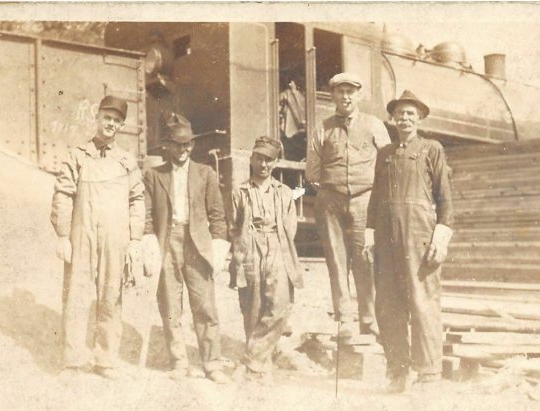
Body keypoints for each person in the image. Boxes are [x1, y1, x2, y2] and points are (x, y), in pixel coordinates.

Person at [364, 90, 454, 393]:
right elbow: (376, 198)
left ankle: (428, 374)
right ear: (392, 118)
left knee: (422, 301)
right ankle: (397, 372)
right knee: (388, 304)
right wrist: (369, 235)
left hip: (419, 237)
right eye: (400, 114)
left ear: (419, 118)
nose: (404, 119)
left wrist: (441, 238)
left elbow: (445, 199)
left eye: (410, 114)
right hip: (387, 238)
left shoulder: (432, 149)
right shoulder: (384, 154)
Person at [50, 95, 145, 380]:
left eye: (117, 121)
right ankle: (74, 361)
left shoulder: (127, 161)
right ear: (98, 117)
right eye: (107, 118)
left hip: (116, 239)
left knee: (110, 296)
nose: (111, 124)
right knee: (77, 295)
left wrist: (136, 239)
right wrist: (63, 235)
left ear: (122, 125)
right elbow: (63, 195)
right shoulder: (77, 155)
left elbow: (137, 199)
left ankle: (105, 359)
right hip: (82, 235)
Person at [142, 120, 231, 384]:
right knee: (170, 304)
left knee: (204, 305)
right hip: (168, 241)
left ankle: (212, 363)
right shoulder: (154, 175)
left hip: (198, 244)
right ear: (167, 146)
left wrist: (218, 244)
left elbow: (217, 214)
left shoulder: (206, 174)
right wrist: (149, 239)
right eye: (177, 144)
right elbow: (147, 214)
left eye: (187, 144)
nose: (183, 149)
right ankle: (179, 362)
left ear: (192, 145)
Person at [305, 72, 391, 338]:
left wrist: (373, 195)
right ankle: (344, 318)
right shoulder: (323, 127)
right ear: (333, 96)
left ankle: (368, 318)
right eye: (340, 92)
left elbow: (387, 163)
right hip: (330, 201)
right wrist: (331, 190)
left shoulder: (374, 125)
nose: (345, 97)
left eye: (350, 92)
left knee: (364, 259)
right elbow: (312, 169)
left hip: (365, 201)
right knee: (336, 260)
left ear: (359, 95)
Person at [228, 137, 303, 383]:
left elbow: (290, 227)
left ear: (275, 162)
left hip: (278, 246)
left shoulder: (284, 193)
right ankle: (261, 366)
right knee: (252, 306)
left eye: (268, 159)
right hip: (249, 246)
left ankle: (250, 360)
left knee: (280, 306)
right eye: (259, 157)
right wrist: (241, 251)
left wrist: (276, 246)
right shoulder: (240, 192)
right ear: (251, 159)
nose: (263, 164)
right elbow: (233, 225)